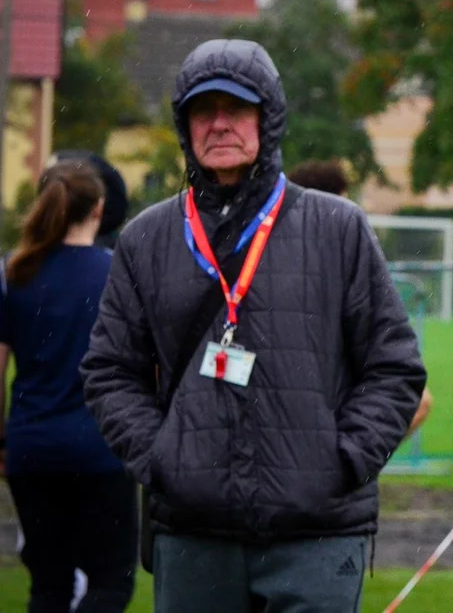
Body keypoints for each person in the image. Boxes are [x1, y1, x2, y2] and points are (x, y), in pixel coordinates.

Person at [80, 39, 427, 613]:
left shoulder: (337, 228)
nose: (219, 124)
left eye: (236, 109)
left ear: (268, 119)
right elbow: (110, 372)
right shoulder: (146, 239)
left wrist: (339, 461)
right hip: (192, 535)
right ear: (183, 124)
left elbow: (393, 367)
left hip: (317, 532)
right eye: (202, 110)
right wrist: (164, 459)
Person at [0, 160, 138, 612]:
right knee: (110, 580)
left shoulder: (15, 274)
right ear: (99, 209)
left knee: (49, 585)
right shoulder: (118, 274)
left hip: (32, 447)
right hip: (100, 447)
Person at [287, 158, 434, 437]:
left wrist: (360, 458)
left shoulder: (345, 251)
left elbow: (402, 374)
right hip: (313, 407)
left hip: (338, 413)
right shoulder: (306, 260)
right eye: (342, 199)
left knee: (418, 401)